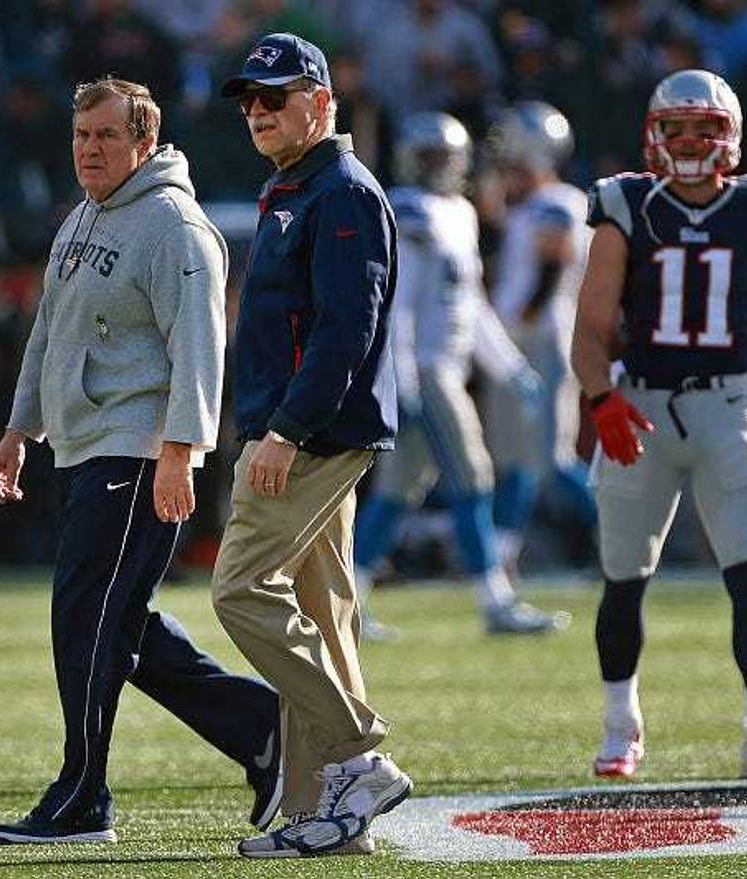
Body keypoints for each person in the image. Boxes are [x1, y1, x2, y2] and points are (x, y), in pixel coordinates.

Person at [0, 77, 281, 844]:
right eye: (83, 136)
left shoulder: (175, 226)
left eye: (108, 136)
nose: (90, 149)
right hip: (84, 449)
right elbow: (48, 332)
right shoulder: (82, 214)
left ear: (145, 142)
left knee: (86, 622)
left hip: (138, 452)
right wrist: (21, 429)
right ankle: (266, 730)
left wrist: (180, 452)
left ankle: (83, 794)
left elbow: (199, 349)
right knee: (119, 627)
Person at [571, 69, 747, 781]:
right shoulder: (626, 204)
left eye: (704, 128)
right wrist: (601, 398)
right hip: (642, 408)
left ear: (732, 136)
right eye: (676, 128)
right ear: (653, 136)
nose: (689, 142)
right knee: (624, 578)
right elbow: (590, 326)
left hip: (727, 406)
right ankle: (621, 727)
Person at [211, 33, 411, 858]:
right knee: (323, 616)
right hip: (303, 427)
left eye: (277, 96)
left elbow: (345, 331)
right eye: (250, 100)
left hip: (312, 433)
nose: (259, 112)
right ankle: (323, 809)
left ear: (322, 102)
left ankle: (358, 753)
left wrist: (284, 431)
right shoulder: (299, 185)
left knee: (240, 589)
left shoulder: (339, 190)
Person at [353, 111, 566, 639]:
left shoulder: (461, 213)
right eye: (428, 157)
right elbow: (395, 306)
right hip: (426, 369)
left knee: (397, 492)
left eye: (445, 157)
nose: (438, 167)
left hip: (444, 365)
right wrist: (400, 381)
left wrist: (512, 368)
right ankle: (496, 601)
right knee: (473, 478)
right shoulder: (409, 211)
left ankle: (345, 604)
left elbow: (471, 309)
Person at [483, 101, 594, 573]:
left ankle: (627, 528)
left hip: (541, 338)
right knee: (517, 459)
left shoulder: (558, 201)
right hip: (518, 340)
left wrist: (524, 319)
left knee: (551, 457)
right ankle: (502, 554)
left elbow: (554, 263)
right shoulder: (529, 206)